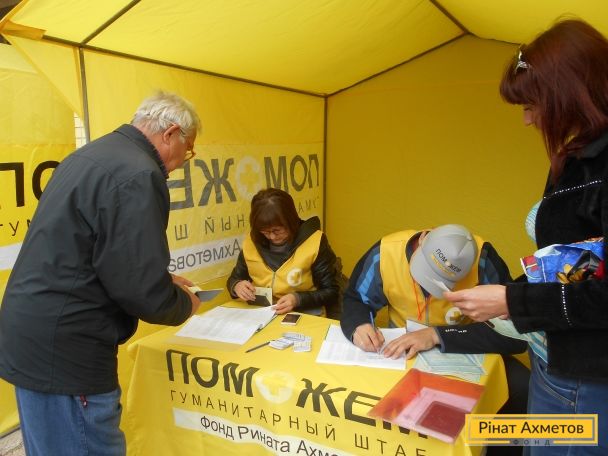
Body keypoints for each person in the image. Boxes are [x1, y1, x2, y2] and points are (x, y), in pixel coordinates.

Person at [0, 91, 203, 456]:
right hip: (69, 351)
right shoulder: (140, 173)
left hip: (34, 336)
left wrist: (161, 280)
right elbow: (141, 290)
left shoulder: (90, 155)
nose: (181, 163)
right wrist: (184, 304)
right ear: (171, 133)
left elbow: (95, 254)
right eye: (187, 151)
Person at [445, 19, 608, 455]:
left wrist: (511, 300)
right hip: (552, 360)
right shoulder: (575, 158)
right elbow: (572, 263)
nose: (527, 119)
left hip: (587, 382)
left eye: (533, 105)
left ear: (571, 92)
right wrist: (505, 298)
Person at [340, 224, 529, 451]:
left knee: (523, 391)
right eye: (425, 269)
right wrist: (358, 324)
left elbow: (516, 335)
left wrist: (436, 335)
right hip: (399, 353)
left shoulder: (483, 260)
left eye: (439, 281)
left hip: (463, 350)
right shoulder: (385, 253)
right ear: (422, 239)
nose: (427, 285)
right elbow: (355, 299)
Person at [227, 187, 341, 317]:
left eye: (277, 230)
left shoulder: (314, 241)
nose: (272, 237)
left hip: (304, 314)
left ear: (291, 221)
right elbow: (235, 278)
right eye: (265, 231)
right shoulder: (252, 242)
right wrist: (236, 286)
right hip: (263, 314)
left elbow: (331, 291)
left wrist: (297, 299)